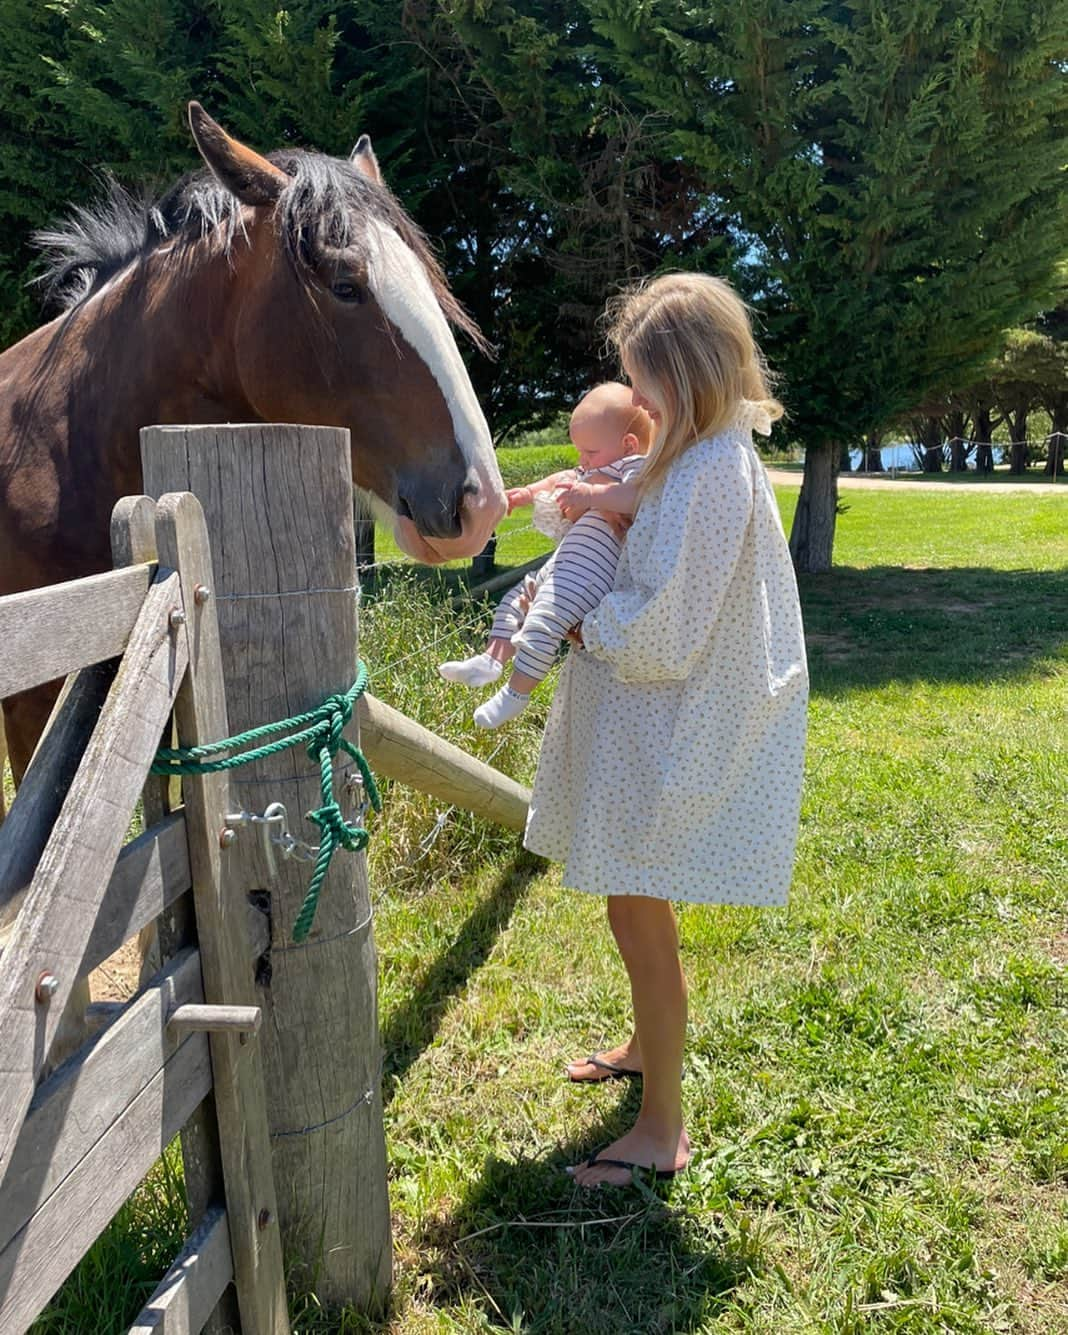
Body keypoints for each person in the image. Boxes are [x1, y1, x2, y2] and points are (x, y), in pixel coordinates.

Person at [522, 273, 809, 1187]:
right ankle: (649, 1046)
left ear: (692, 377)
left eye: (645, 382)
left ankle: (661, 1127)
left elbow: (669, 625)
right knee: (632, 898)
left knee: (637, 909)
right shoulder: (692, 457)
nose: (634, 402)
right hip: (654, 717)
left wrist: (578, 623)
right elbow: (619, 515)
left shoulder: (715, 470)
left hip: (674, 721)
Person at [438, 382, 654, 728]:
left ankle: (515, 694)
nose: (583, 461)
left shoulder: (636, 469)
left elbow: (634, 500)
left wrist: (592, 495)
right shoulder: (595, 468)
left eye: (590, 452)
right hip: (563, 566)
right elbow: (560, 480)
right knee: (515, 601)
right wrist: (526, 493)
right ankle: (491, 660)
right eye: (580, 452)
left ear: (628, 445)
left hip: (588, 576)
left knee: (543, 624)